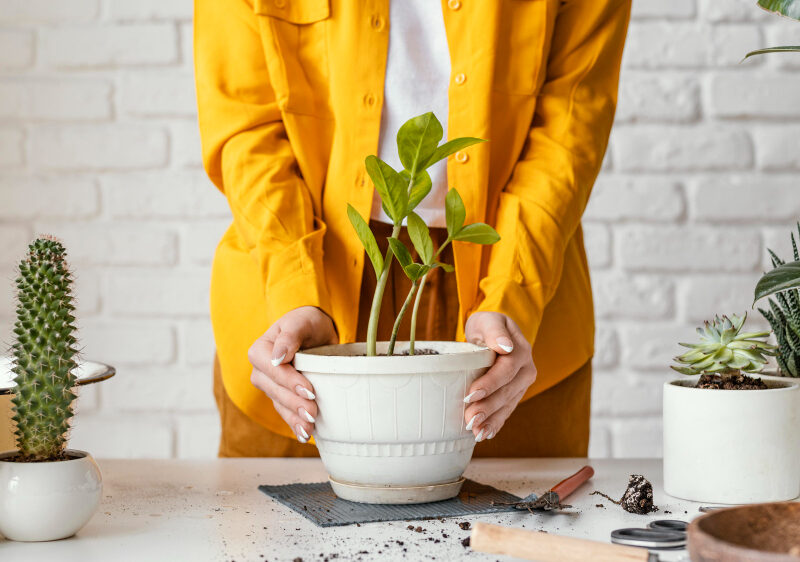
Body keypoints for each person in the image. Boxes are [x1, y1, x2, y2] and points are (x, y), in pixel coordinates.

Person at [194, 0, 631, 458]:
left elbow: (570, 126)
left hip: (511, 288)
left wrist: (511, 289)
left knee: (517, 517)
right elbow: (246, 128)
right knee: (275, 524)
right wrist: (294, 287)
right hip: (303, 286)